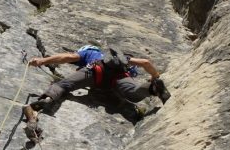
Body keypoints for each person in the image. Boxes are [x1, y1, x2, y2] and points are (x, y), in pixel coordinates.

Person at [28, 44, 170, 112]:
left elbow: (68, 57)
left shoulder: (89, 53)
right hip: (118, 78)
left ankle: (47, 98)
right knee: (132, 94)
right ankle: (154, 87)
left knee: (64, 85)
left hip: (96, 71)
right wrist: (155, 76)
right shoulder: (127, 65)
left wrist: (42, 61)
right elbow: (145, 63)